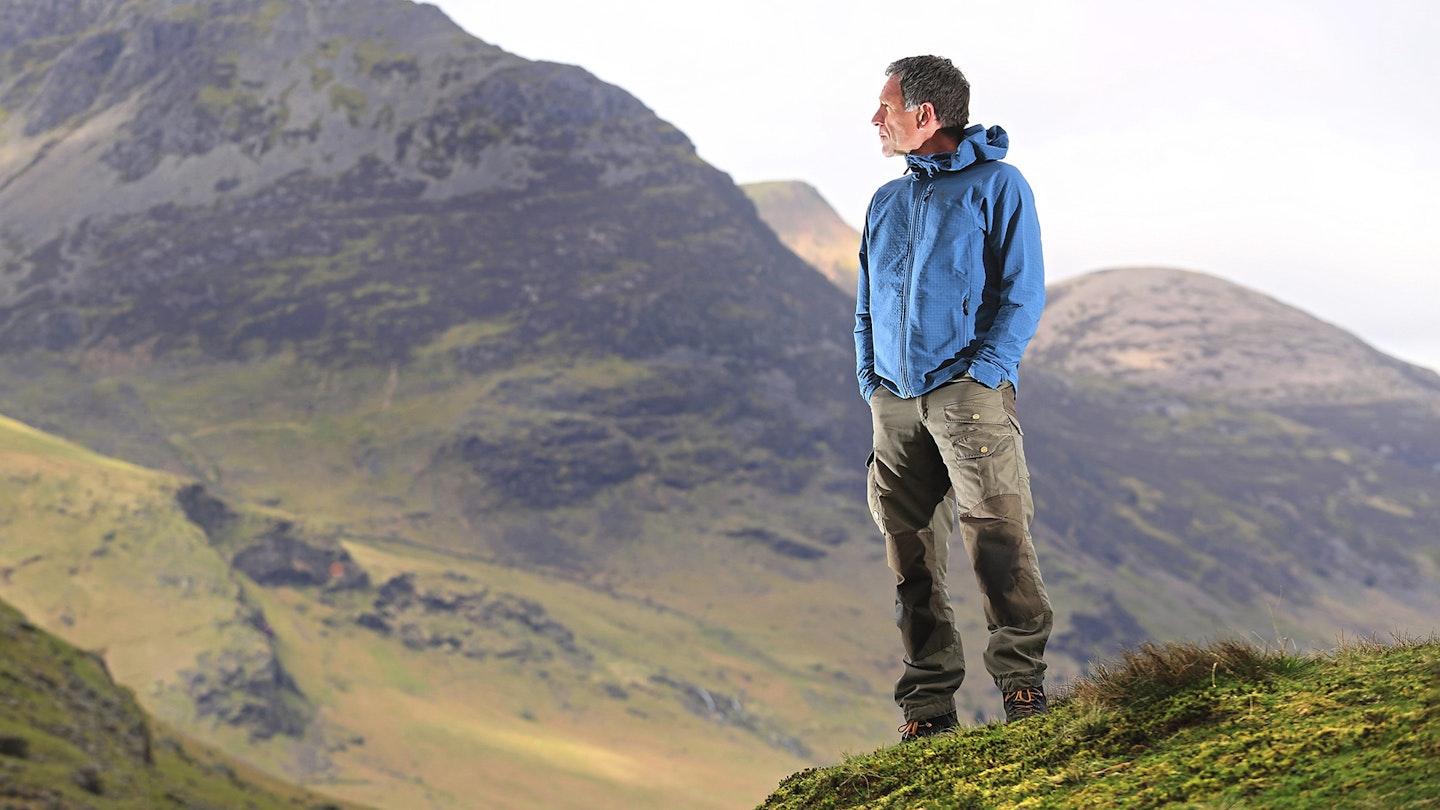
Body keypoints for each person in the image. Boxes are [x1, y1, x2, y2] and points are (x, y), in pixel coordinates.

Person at [856, 55, 1053, 742]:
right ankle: (928, 709)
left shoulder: (1000, 186)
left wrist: (984, 375)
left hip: (968, 399)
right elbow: (867, 306)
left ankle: (1023, 687)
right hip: (894, 405)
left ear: (925, 115)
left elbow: (1023, 292)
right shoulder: (886, 202)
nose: (876, 119)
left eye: (886, 107)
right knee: (910, 557)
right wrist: (872, 382)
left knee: (998, 541)